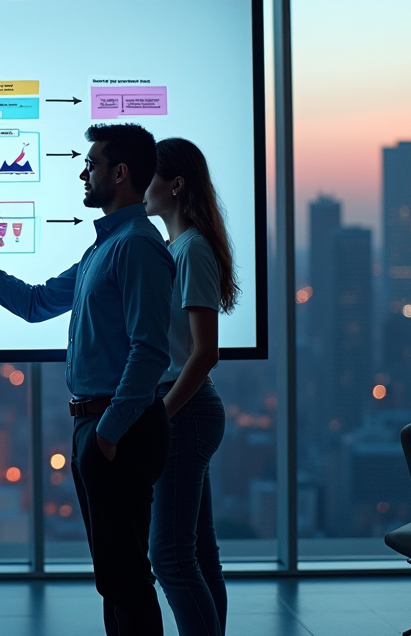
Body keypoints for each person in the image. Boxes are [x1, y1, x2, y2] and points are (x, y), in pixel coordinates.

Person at [0, 123, 174, 635]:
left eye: (91, 164)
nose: (83, 173)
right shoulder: (103, 249)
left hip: (120, 426)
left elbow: (151, 350)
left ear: (120, 172)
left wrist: (108, 433)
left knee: (127, 576)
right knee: (115, 577)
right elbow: (36, 303)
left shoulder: (135, 247)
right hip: (103, 425)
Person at [145, 138, 239, 636]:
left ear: (175, 185)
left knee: (171, 558)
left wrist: (162, 413)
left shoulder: (193, 250)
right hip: (182, 407)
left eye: (148, 176)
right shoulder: (174, 248)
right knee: (197, 554)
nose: (139, 187)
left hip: (183, 409)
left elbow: (205, 352)